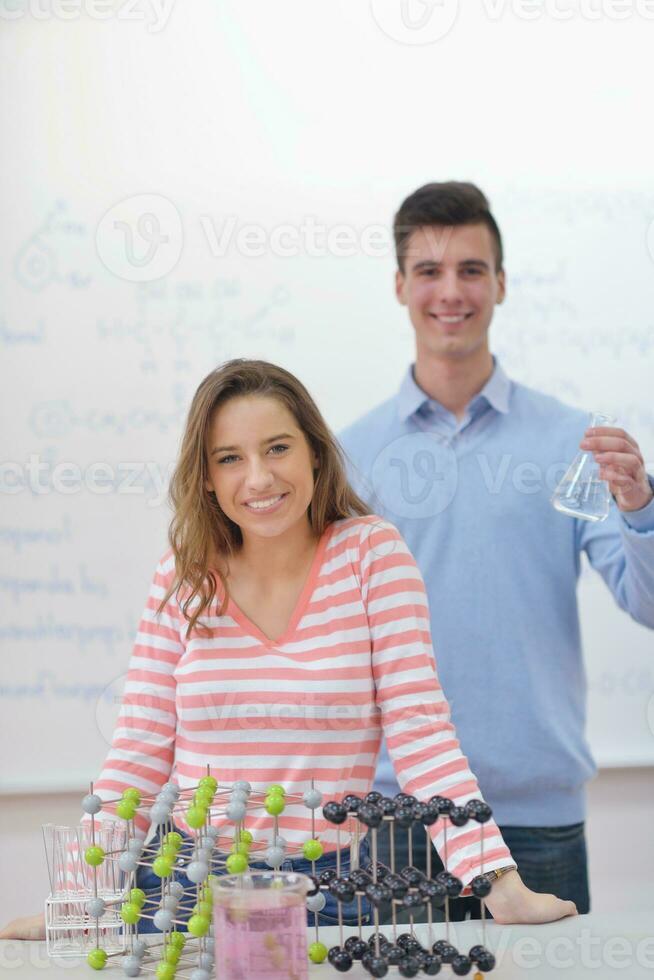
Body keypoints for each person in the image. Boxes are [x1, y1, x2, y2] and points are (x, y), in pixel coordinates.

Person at [2, 358, 576, 942]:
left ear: (315, 454)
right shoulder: (183, 575)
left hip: (323, 895)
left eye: (277, 448)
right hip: (182, 890)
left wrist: (496, 883)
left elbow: (421, 732)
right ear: (205, 476)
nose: (258, 479)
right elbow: (138, 753)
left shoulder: (371, 555)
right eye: (230, 458)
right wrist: (75, 900)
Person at [338, 182, 654, 921]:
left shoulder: (573, 442)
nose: (451, 291)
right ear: (399, 286)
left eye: (472, 270)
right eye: (429, 271)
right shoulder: (348, 457)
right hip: (395, 818)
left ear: (502, 283)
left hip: (534, 817)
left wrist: (641, 507)